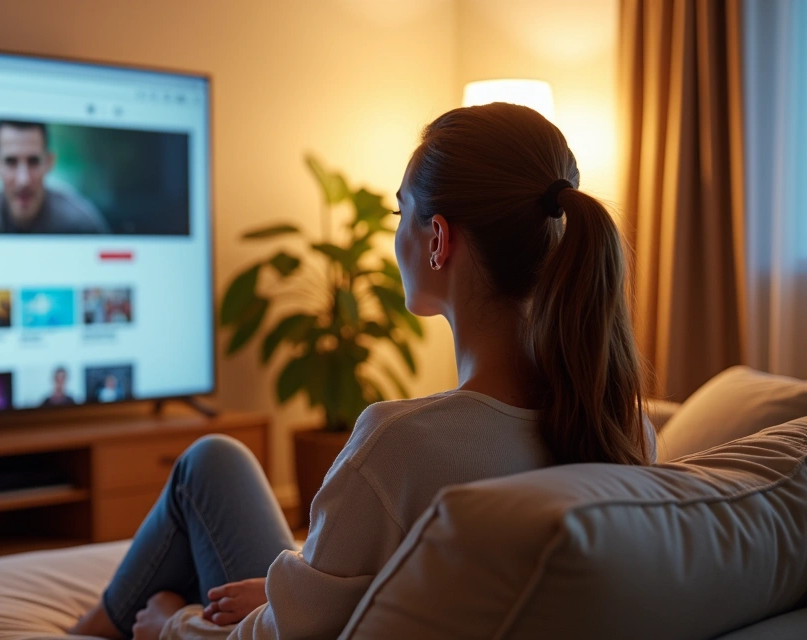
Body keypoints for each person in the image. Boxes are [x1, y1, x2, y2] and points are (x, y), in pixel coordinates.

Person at [68, 103, 655, 640]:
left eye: (403, 212)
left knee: (206, 465)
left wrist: (174, 623)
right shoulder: (622, 430)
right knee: (216, 461)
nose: (397, 231)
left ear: (438, 240)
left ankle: (90, 632)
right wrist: (285, 592)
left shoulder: (404, 446)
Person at [0, 120, 109, 234]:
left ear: (49, 162)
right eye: (11, 162)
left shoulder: (81, 224)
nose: (23, 180)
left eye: (33, 161)